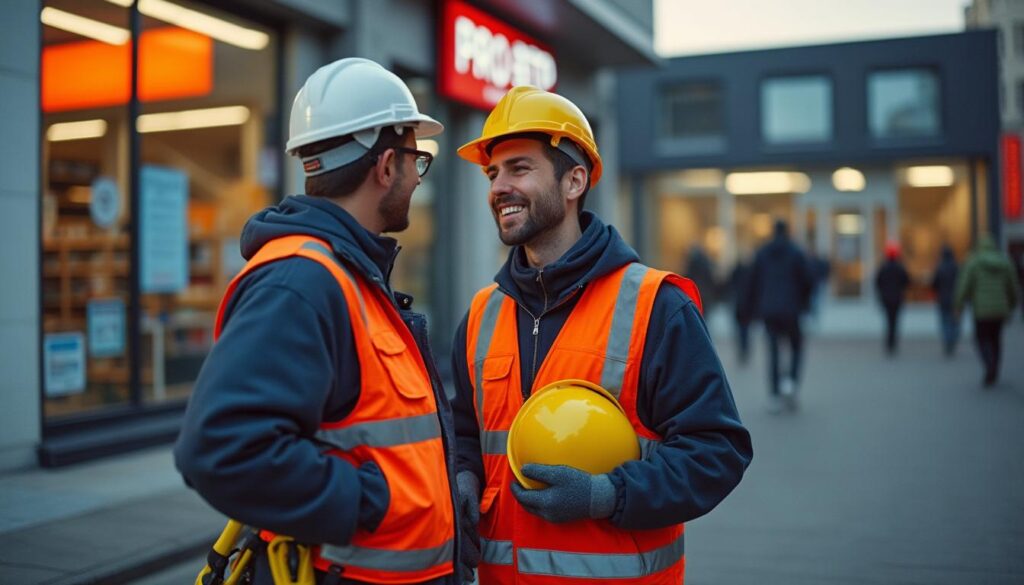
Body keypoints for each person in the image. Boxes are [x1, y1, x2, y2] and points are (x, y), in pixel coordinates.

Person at [174, 58, 462, 585]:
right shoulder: (303, 282)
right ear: (386, 166)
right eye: (416, 160)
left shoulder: (346, 275)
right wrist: (369, 501)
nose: (416, 179)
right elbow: (220, 449)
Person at [449, 86, 752, 584]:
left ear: (574, 181)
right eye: (492, 173)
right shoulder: (482, 314)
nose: (498, 187)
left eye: (518, 169)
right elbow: (465, 431)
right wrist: (463, 476)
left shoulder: (656, 306)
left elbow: (717, 452)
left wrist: (608, 495)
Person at [745, 219, 813, 412]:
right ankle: (790, 383)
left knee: (773, 351)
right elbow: (807, 280)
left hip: (769, 310)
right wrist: (803, 303)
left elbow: (752, 282)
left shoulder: (762, 253)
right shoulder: (796, 252)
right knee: (796, 347)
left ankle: (774, 394)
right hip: (792, 309)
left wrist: (753, 309)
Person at [955, 234, 1021, 387]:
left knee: (981, 339)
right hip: (1000, 310)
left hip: (981, 310)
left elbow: (964, 285)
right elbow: (1013, 286)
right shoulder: (1005, 263)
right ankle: (994, 368)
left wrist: (959, 305)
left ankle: (989, 364)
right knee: (995, 339)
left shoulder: (974, 263)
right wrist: (1012, 305)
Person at [874, 241, 910, 356]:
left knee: (889, 321)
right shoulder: (900, 268)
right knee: (894, 321)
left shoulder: (883, 268)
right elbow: (906, 281)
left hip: (887, 298)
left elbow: (877, 282)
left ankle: (889, 342)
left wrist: (882, 293)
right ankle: (893, 342)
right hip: (897, 298)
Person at [930, 245, 960, 356]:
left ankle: (948, 340)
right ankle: (952, 339)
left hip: (943, 299)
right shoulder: (956, 268)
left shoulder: (940, 268)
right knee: (954, 322)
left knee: (945, 321)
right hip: (956, 299)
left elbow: (934, 283)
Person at [728, 255, 755, 364]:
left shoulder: (737, 272)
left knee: (741, 330)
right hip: (745, 305)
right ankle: (744, 349)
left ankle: (743, 349)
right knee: (745, 330)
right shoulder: (750, 272)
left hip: (740, 305)